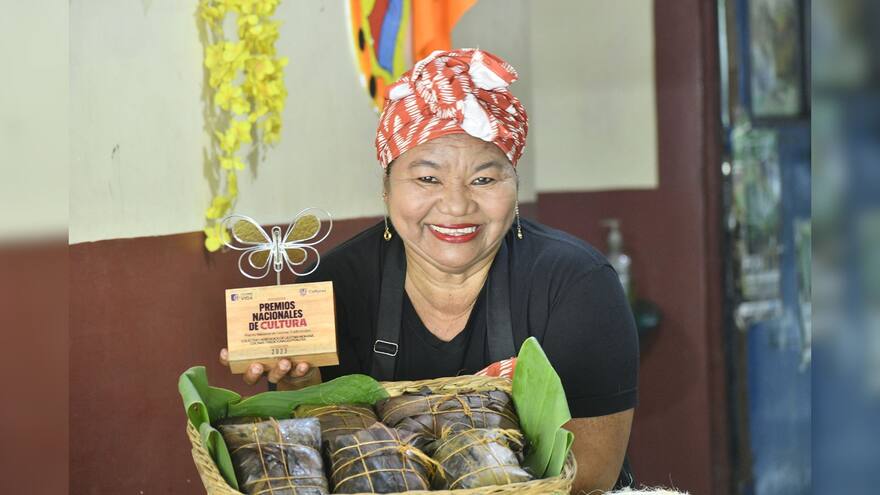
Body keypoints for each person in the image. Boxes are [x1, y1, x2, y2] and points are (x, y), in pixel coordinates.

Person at [219, 48, 638, 492]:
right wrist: (301, 383)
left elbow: (589, 477)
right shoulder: (331, 287)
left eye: (484, 179)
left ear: (514, 185)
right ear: (386, 188)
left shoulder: (576, 285)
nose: (456, 206)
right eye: (427, 179)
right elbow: (311, 464)